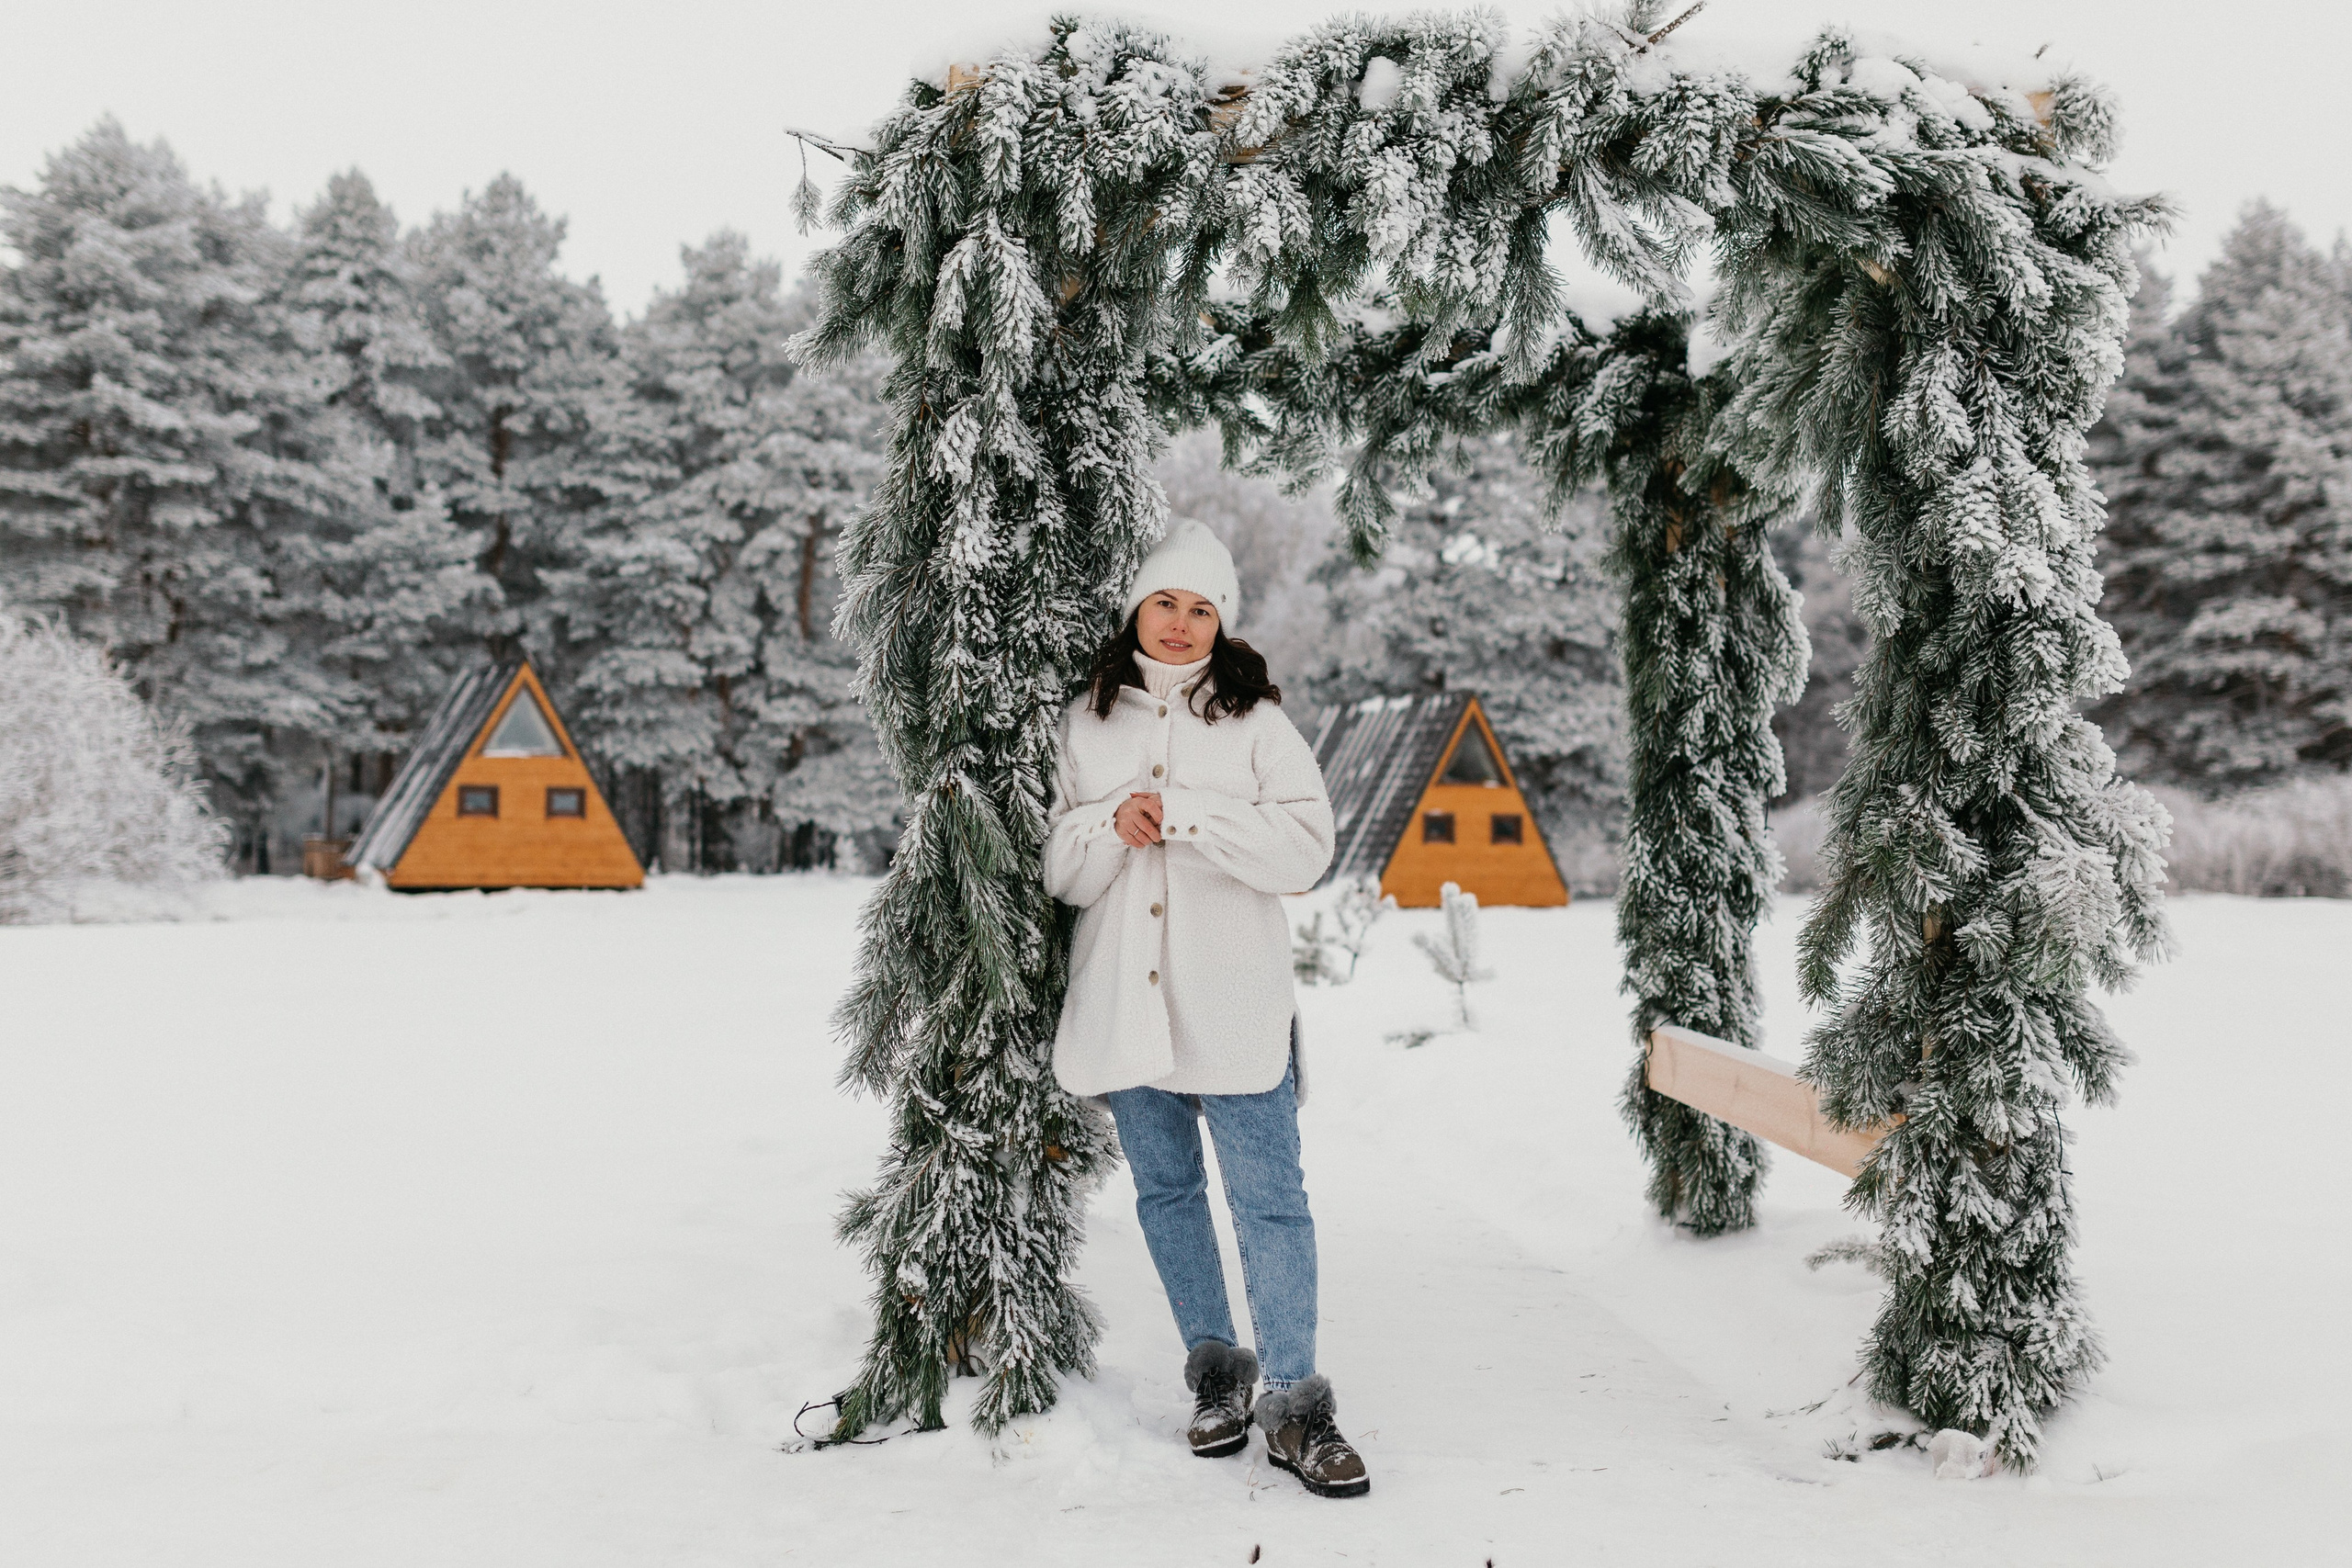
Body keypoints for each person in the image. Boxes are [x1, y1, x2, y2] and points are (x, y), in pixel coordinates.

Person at [1042, 518, 1367, 1500]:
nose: (1180, 624)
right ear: (1135, 609)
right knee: (1168, 1196)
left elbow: (1305, 852)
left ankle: (1299, 1408)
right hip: (1122, 1005)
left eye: (1200, 609)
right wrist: (1108, 821)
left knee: (1271, 1201)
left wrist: (1180, 815)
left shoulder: (1259, 725)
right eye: (1164, 603)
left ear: (1221, 623)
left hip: (1233, 1005)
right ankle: (1216, 1376)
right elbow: (1060, 870)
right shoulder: (1084, 722)